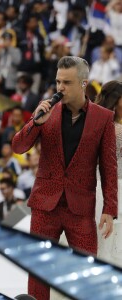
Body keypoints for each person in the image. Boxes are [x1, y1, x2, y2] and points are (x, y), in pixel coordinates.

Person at [12, 56, 118, 300]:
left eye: (67, 82)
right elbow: (18, 147)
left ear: (83, 83)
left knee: (87, 269)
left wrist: (110, 208)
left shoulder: (103, 118)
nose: (60, 87)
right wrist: (35, 124)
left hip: (80, 206)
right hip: (44, 204)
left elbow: (109, 167)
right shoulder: (45, 109)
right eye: (58, 81)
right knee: (38, 271)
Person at [95, 80, 122, 268]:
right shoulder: (116, 129)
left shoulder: (94, 123)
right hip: (115, 189)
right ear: (117, 100)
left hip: (97, 189)